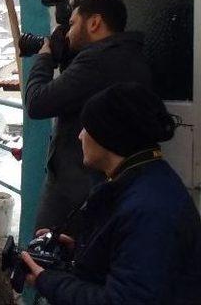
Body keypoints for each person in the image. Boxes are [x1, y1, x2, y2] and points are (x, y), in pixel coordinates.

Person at [22, 83, 201, 305]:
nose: (80, 136)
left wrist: (48, 281)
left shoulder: (149, 210)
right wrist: (80, 252)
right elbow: (132, 261)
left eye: (86, 128)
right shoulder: (141, 180)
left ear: (107, 135)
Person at [25, 0, 152, 236]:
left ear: (94, 23)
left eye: (72, 25)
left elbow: (37, 103)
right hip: (108, 186)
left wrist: (44, 56)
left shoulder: (98, 63)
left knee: (45, 256)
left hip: (77, 188)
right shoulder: (129, 57)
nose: (68, 33)